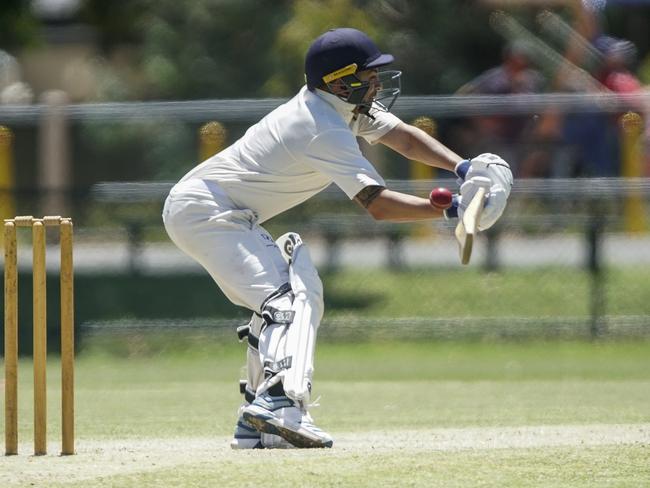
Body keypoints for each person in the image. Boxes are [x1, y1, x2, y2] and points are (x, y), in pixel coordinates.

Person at [162, 27, 513, 449]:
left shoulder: (344, 104)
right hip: (206, 211)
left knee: (293, 291)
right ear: (339, 80)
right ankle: (277, 404)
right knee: (286, 302)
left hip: (220, 211)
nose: (378, 83)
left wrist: (464, 168)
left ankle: (257, 420)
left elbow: (402, 136)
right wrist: (451, 208)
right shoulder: (320, 125)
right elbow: (378, 204)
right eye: (369, 75)